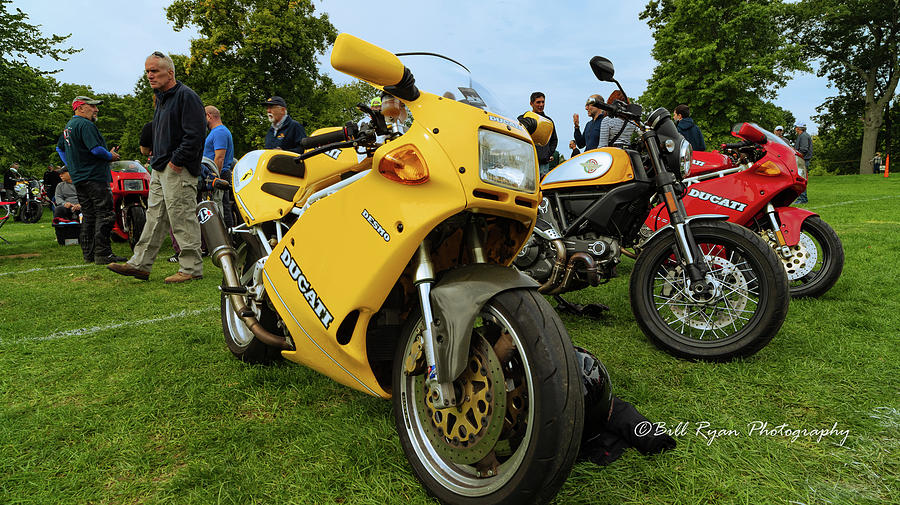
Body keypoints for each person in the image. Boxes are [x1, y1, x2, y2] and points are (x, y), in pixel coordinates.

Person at [108, 51, 206, 283]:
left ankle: (191, 268)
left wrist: (176, 161)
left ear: (170, 73)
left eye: (155, 71)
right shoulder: (161, 99)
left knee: (181, 217)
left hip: (177, 169)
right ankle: (140, 264)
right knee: (154, 218)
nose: (150, 76)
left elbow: (195, 135)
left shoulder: (186, 96)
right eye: (147, 72)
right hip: (160, 168)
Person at [56, 95, 125, 265]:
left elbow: (60, 148)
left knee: (89, 215)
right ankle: (103, 254)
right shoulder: (85, 124)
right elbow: (96, 150)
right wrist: (111, 155)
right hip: (94, 176)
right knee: (105, 213)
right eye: (92, 106)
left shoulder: (69, 127)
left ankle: (89, 254)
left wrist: (72, 166)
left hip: (80, 178)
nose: (96, 109)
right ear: (80, 107)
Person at [202, 105, 234, 225]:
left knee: (222, 206)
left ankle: (227, 237)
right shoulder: (217, 132)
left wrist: (214, 178)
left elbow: (219, 158)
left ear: (209, 116)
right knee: (218, 206)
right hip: (217, 173)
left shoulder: (220, 132)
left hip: (219, 173)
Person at [529, 92, 558, 177]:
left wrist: (547, 154)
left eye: (543, 102)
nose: (541, 104)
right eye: (538, 102)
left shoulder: (549, 122)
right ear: (531, 103)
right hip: (529, 162)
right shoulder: (526, 119)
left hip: (544, 164)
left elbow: (554, 140)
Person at [794, 123, 813, 203]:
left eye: (796, 127)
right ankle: (802, 198)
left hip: (803, 160)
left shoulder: (803, 136)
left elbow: (804, 149)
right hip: (803, 160)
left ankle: (802, 199)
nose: (795, 129)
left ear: (798, 128)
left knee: (801, 179)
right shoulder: (803, 135)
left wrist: (798, 156)